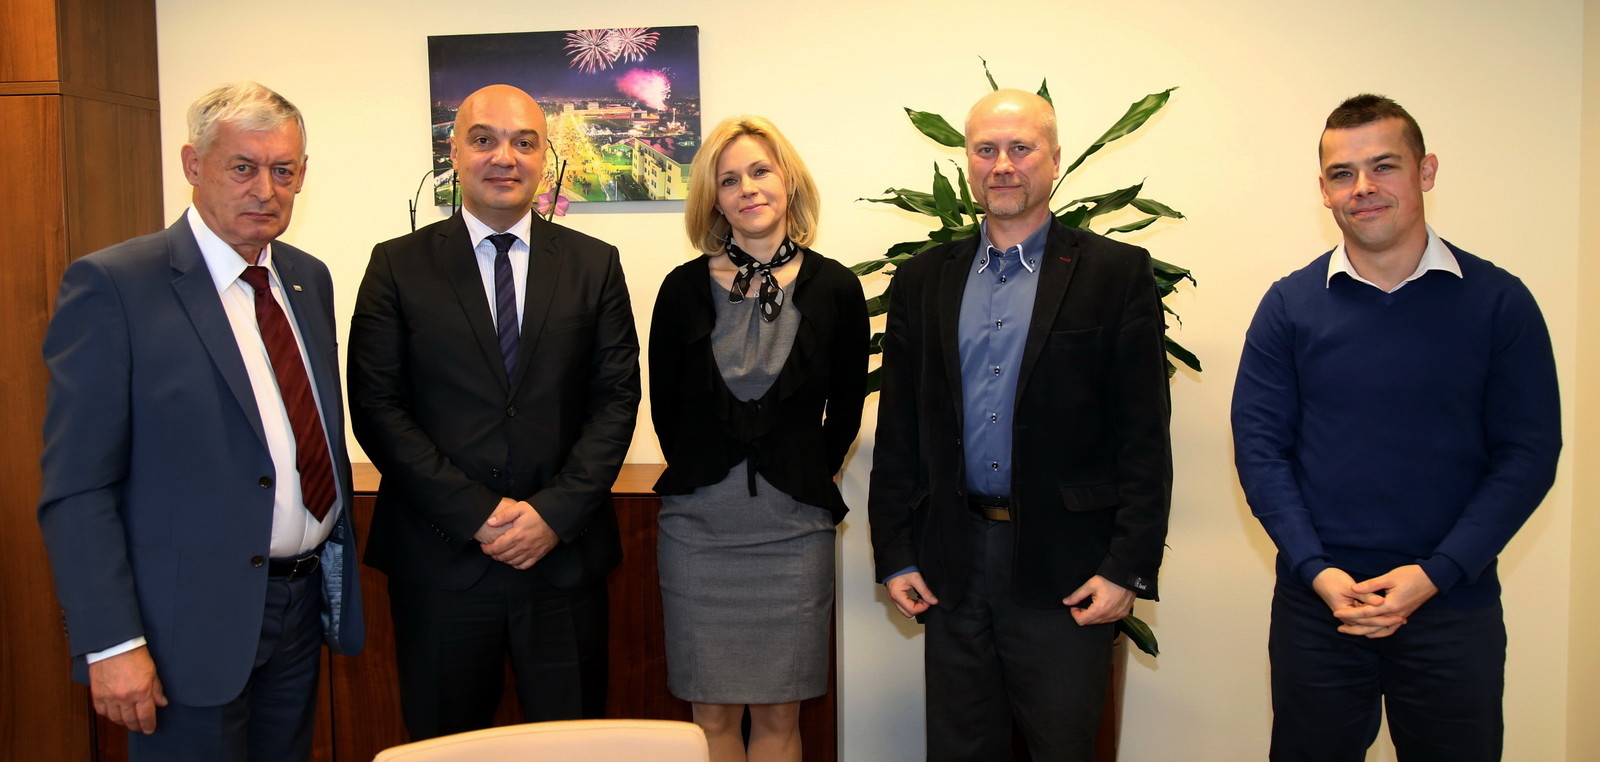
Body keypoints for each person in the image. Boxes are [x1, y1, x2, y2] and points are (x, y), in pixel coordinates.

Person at [37, 81, 363, 760]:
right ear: (193, 164)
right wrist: (112, 641)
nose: (265, 190)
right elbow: (77, 489)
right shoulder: (116, 286)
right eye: (243, 167)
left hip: (299, 611)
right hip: (181, 633)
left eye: (283, 171)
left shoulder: (307, 278)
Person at [1231, 94, 1561, 761]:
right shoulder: (1289, 306)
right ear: (1324, 190)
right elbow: (1261, 450)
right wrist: (1318, 571)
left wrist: (1437, 572)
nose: (1363, 187)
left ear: (1425, 171)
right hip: (1321, 608)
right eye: (1342, 173)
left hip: (1452, 605)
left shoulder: (1500, 302)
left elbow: (1528, 454)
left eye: (1384, 166)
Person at [867, 89, 1173, 760]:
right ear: (969, 163)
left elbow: (1144, 437)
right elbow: (900, 432)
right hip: (951, 561)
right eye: (986, 150)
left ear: (1055, 160)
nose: (1003, 164)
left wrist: (1126, 567)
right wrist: (895, 552)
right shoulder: (922, 281)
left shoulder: (1115, 274)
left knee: (1061, 747)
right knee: (960, 749)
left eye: (1021, 148)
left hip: (1067, 567)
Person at [348, 83, 640, 740]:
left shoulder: (594, 265)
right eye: (484, 139)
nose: (504, 157)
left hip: (562, 562)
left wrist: (552, 514)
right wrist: (476, 514)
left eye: (523, 142)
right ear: (454, 153)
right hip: (440, 562)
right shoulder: (396, 265)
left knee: (572, 749)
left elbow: (616, 400)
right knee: (445, 748)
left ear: (544, 158)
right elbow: (376, 405)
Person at [649, 116, 867, 762]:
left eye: (760, 171)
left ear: (788, 180)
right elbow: (666, 411)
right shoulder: (680, 289)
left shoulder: (837, 288)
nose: (747, 188)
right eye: (729, 180)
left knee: (779, 715)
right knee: (710, 715)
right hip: (698, 532)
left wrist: (803, 473)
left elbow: (846, 411)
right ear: (713, 200)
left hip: (794, 532)